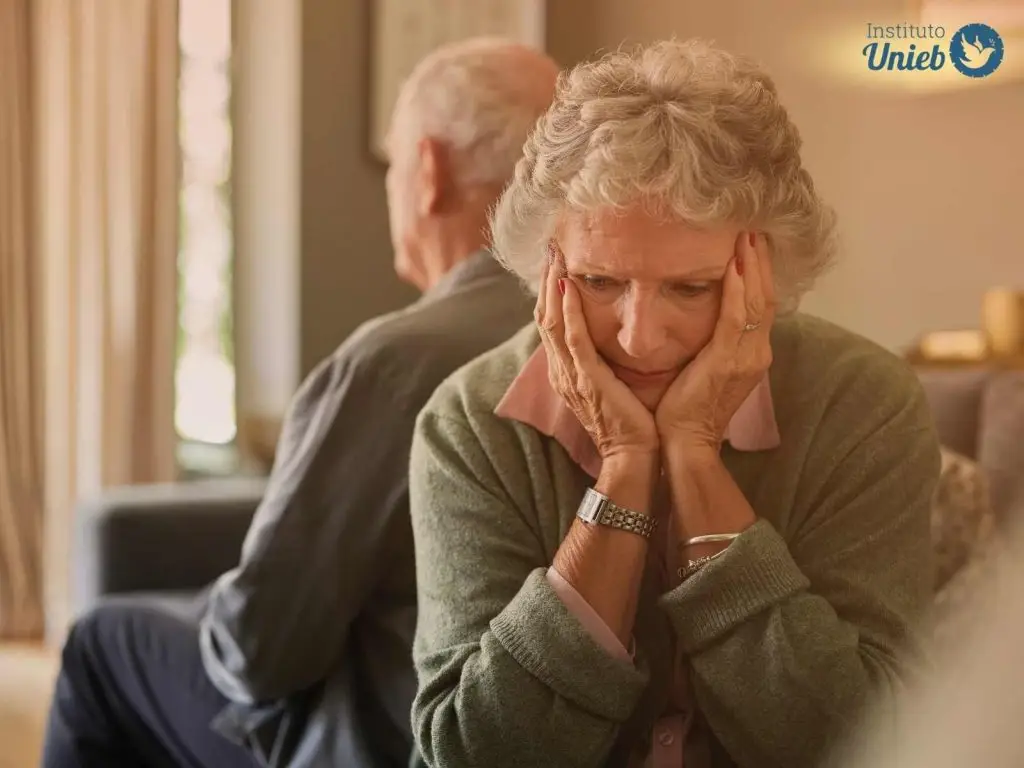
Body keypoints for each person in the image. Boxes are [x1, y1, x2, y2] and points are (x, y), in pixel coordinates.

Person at [407, 39, 940, 768]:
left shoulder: (865, 405)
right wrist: (625, 472)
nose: (640, 338)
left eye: (690, 288)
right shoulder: (467, 423)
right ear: (546, 267)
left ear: (767, 272)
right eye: (599, 282)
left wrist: (693, 458)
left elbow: (863, 743)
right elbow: (472, 753)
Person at [43, 37, 559, 768]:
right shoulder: (613, 335)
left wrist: (217, 609)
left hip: (384, 739)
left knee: (101, 641)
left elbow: (262, 650)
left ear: (427, 171)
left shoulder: (394, 364)